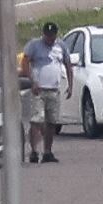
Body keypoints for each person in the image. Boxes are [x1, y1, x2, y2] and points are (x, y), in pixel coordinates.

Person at [23, 22, 66, 162]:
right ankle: (34, 151)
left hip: (54, 90)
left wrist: (70, 86)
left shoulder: (60, 46)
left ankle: (48, 151)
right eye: (47, 36)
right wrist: (32, 81)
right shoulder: (34, 45)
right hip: (38, 90)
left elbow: (68, 65)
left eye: (52, 36)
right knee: (36, 120)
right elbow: (25, 62)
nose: (49, 39)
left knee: (51, 122)